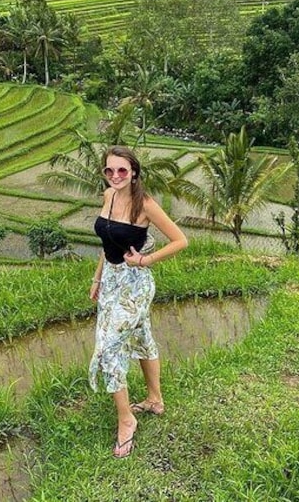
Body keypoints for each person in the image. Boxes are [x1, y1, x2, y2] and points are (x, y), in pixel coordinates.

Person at [89, 145, 188, 458]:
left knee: (107, 348)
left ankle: (126, 419)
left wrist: (145, 260)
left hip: (135, 285)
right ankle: (155, 399)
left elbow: (181, 240)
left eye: (122, 170)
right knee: (143, 339)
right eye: (109, 170)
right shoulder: (109, 196)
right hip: (110, 283)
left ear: (134, 173)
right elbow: (107, 246)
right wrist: (97, 278)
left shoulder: (144, 203)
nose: (115, 176)